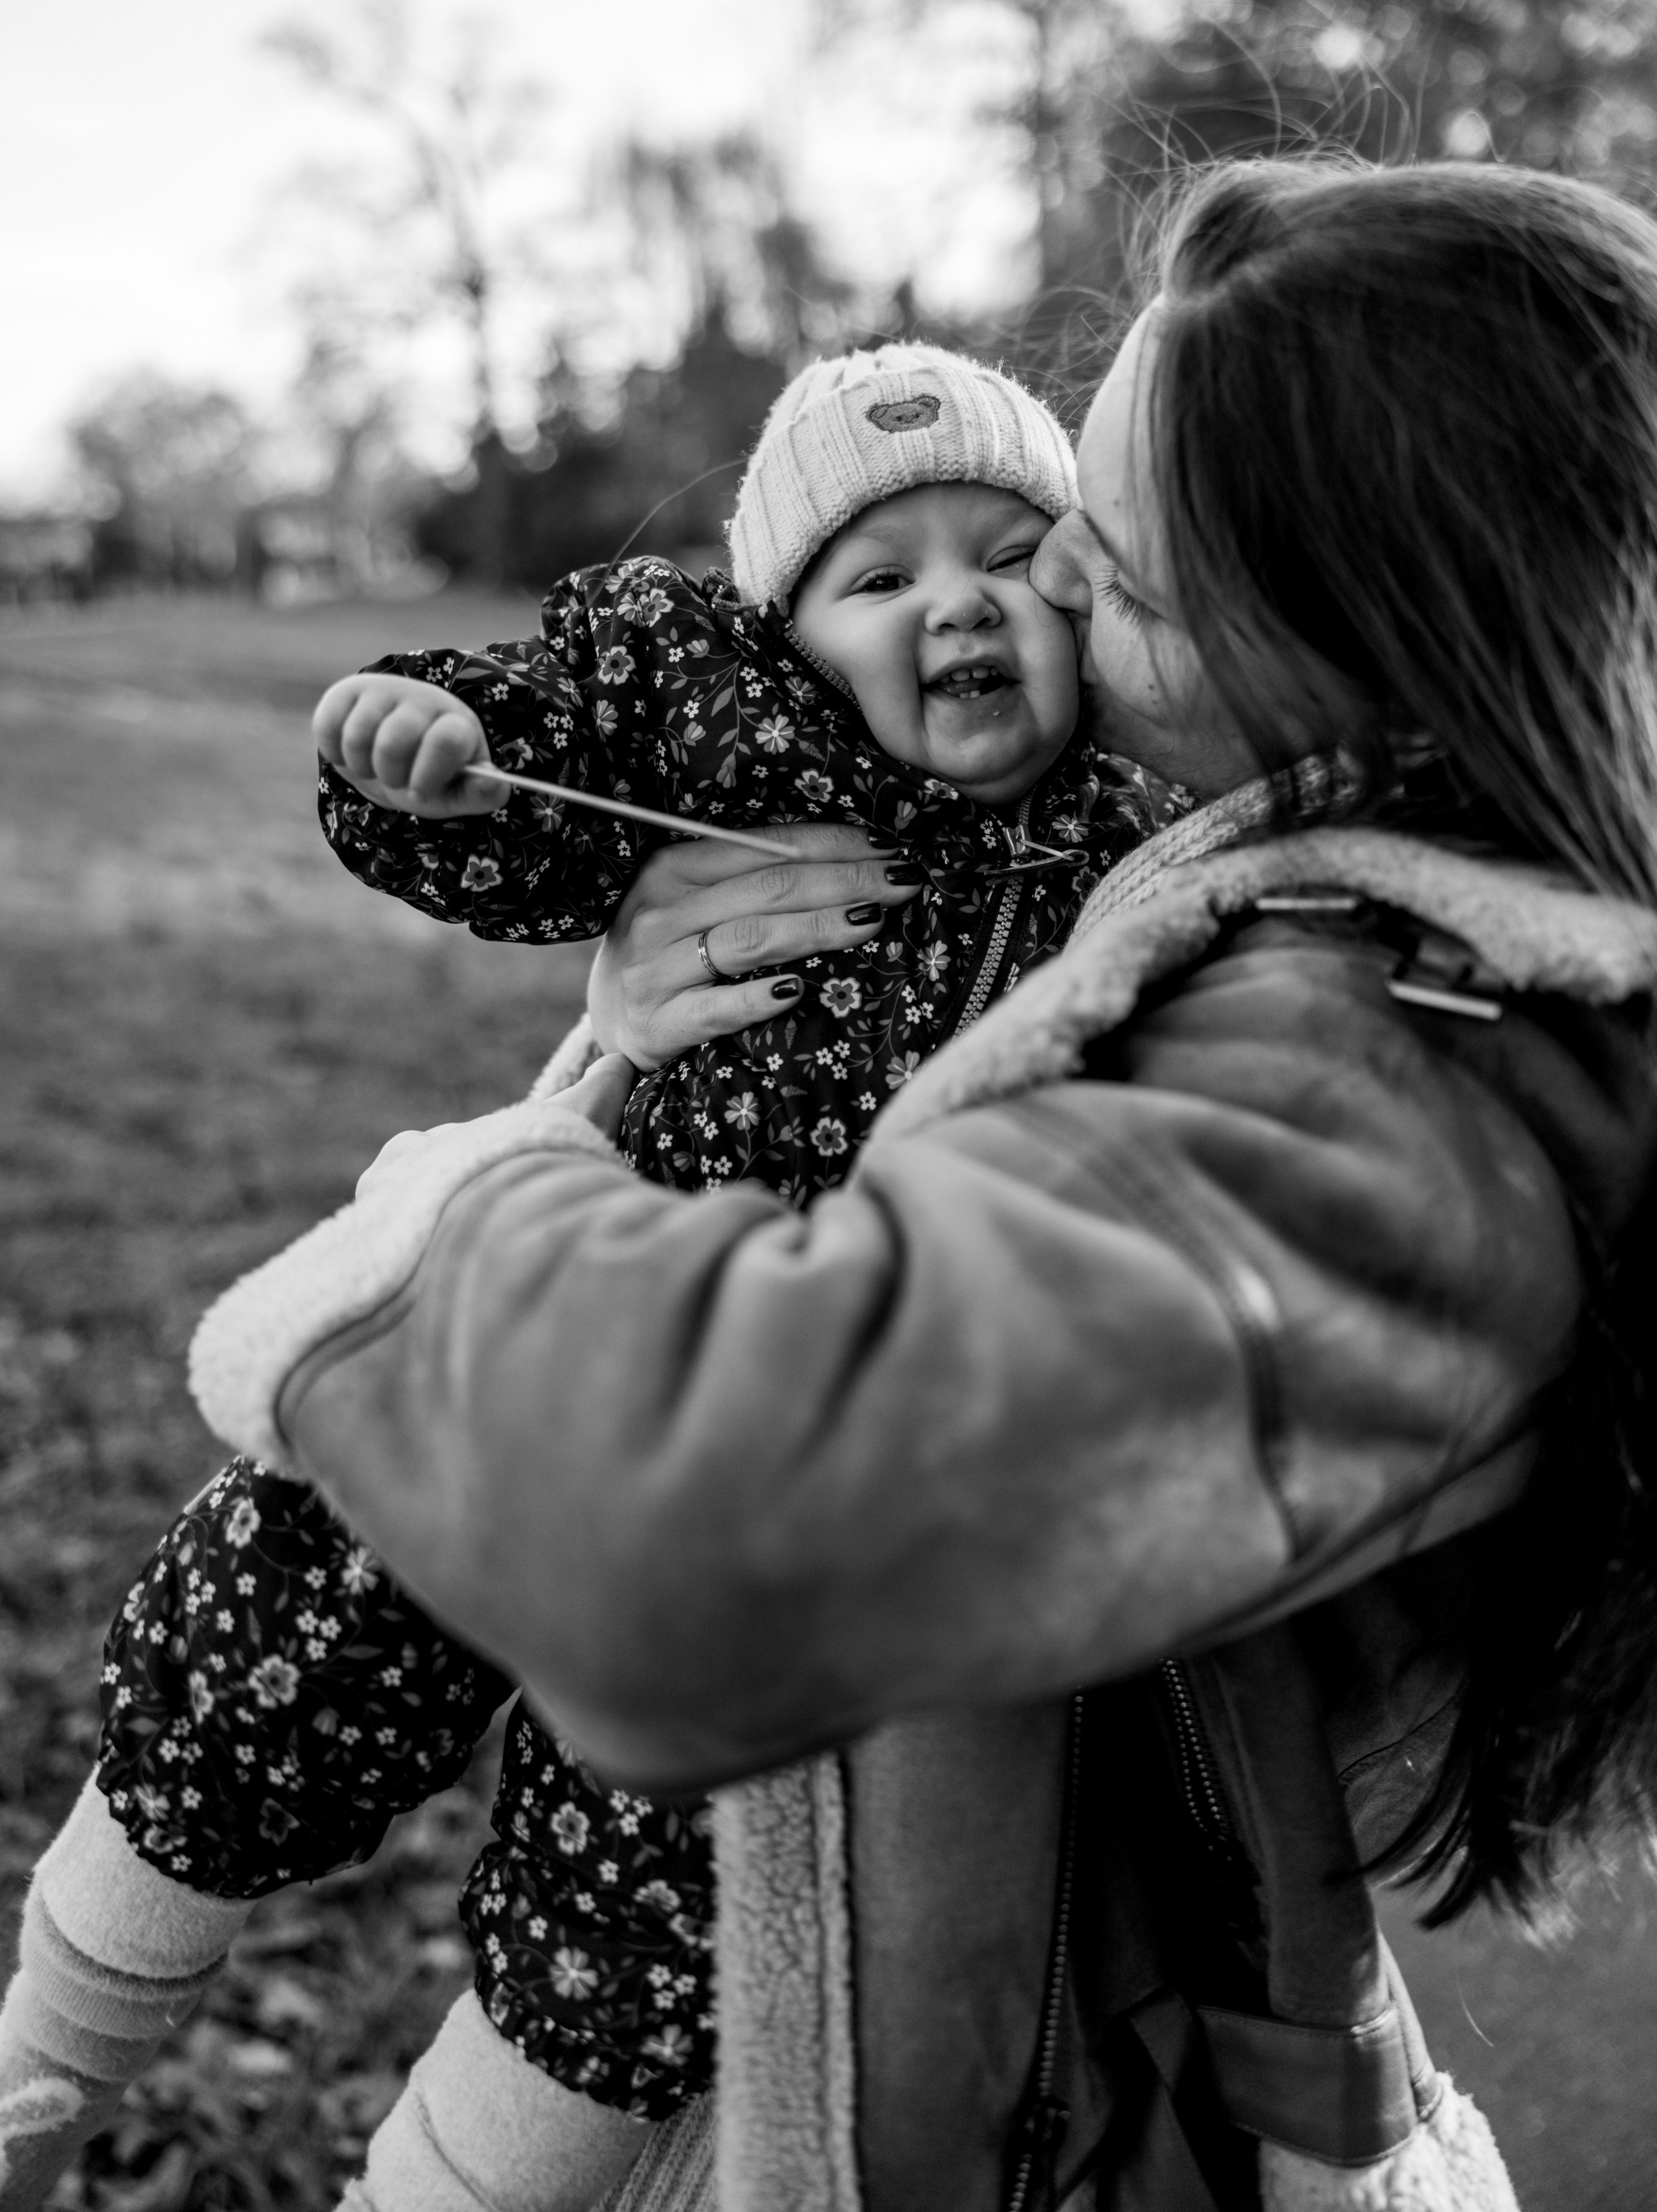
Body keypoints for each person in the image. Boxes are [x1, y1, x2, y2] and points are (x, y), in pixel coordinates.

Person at [181, 156, 1657, 2211]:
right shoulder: (1354, 902)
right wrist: (673, 980)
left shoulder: (1388, 1078)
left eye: (1107, 564)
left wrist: (473, 1200)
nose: (1033, 597)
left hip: (1092, 2085)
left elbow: (748, 1506)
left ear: (1362, 643)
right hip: (1016, 1992)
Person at [0, 350, 1180, 2212]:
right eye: (879, 578)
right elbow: (521, 781)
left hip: (778, 1471)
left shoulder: (1137, 836)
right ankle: (43, 2060)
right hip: (560, 1314)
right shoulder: (718, 729)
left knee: (661, 1895)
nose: (954, 598)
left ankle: (441, 2188)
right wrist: (418, 749)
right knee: (286, 1631)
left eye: (1012, 550)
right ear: (789, 631)